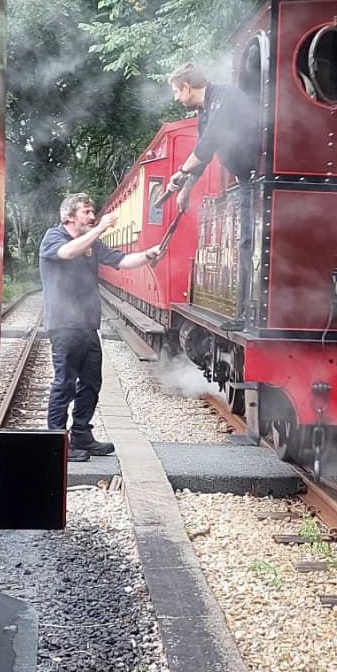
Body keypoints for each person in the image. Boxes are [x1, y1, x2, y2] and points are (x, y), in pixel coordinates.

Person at [39, 193, 163, 460]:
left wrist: (146, 255)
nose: (92, 216)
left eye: (93, 212)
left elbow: (121, 261)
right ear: (69, 216)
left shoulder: (93, 244)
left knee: (92, 382)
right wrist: (100, 228)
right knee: (65, 384)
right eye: (86, 211)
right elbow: (68, 252)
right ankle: (57, 442)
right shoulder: (54, 237)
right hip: (63, 324)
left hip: (87, 324)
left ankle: (82, 435)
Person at [164, 63, 264, 323]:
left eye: (176, 91)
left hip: (259, 179)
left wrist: (181, 172)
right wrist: (186, 190)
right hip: (247, 180)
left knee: (248, 244)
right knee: (245, 243)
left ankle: (248, 314)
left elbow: (209, 145)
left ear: (186, 86)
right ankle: (244, 312)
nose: (176, 97)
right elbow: (202, 150)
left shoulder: (225, 97)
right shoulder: (206, 110)